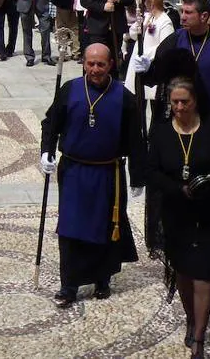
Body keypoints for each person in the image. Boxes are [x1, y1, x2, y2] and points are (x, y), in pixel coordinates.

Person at [39, 43, 146, 308]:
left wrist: (138, 176)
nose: (95, 69)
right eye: (90, 64)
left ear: (110, 64)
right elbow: (50, 123)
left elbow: (136, 139)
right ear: (83, 64)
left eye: (100, 64)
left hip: (108, 171)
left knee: (105, 227)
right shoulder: (70, 90)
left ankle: (102, 278)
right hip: (74, 171)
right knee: (71, 227)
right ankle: (69, 285)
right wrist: (46, 151)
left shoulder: (125, 97)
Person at [145, 78, 210, 358]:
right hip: (176, 213)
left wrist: (208, 186)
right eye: (175, 102)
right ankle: (191, 317)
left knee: (205, 274)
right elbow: (153, 172)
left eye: (185, 101)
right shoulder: (160, 132)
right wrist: (178, 189)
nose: (180, 107)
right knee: (184, 272)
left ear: (196, 101)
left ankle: (199, 337)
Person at [136, 0, 210, 137]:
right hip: (179, 119)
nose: (182, 17)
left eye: (188, 12)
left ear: (204, 16)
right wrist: (146, 70)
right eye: (182, 11)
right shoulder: (174, 40)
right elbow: (156, 77)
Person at [124, 0, 176, 128]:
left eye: (147, 1)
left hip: (152, 66)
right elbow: (133, 35)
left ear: (152, 2)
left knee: (154, 104)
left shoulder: (165, 21)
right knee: (137, 103)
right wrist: (141, 25)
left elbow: (165, 46)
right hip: (138, 65)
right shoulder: (147, 17)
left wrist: (146, 54)